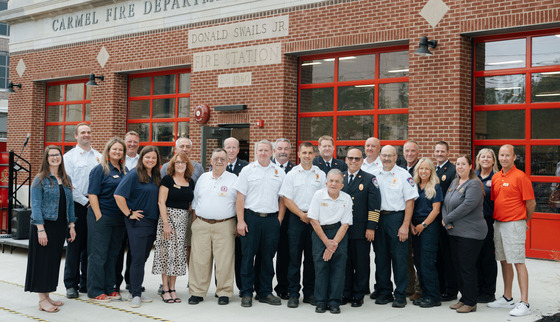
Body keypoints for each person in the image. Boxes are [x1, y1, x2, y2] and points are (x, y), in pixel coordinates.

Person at [234, 140, 286, 307]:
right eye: (260, 150)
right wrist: (240, 221)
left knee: (267, 257)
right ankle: (247, 292)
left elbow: (282, 199)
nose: (263, 153)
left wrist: (278, 220)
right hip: (251, 218)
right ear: (256, 152)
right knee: (248, 256)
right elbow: (240, 197)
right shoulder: (247, 171)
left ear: (272, 152)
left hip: (271, 219)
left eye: (266, 150)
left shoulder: (279, 172)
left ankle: (264, 292)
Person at [25, 146, 77, 313]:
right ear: (46, 158)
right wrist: (40, 229)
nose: (55, 157)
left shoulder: (66, 178)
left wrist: (72, 225)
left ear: (61, 157)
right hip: (44, 226)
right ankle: (42, 300)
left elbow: (70, 205)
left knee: (52, 262)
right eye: (51, 155)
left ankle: (47, 295)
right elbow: (36, 206)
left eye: (57, 155)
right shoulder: (40, 179)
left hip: (59, 226)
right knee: (42, 263)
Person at [488, 144, 536, 317]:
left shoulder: (521, 177)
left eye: (508, 155)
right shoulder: (496, 177)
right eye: (501, 155)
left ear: (514, 157)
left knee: (518, 261)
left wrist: (523, 220)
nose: (504, 158)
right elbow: (497, 200)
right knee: (504, 260)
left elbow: (531, 204)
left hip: (514, 224)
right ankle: (507, 297)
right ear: (498, 157)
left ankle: (525, 302)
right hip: (499, 224)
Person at [279, 141, 326, 308]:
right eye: (304, 152)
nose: (307, 156)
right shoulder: (292, 174)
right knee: (294, 258)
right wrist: (301, 214)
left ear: (314, 155)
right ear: (299, 154)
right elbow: (286, 198)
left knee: (311, 259)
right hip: (296, 220)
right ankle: (293, 294)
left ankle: (309, 293)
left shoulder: (320, 174)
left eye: (310, 153)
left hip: (314, 220)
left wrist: (311, 216)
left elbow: (323, 197)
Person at [371, 145, 418, 308]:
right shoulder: (374, 175)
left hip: (397, 218)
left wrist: (405, 225)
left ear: (396, 157)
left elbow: (410, 202)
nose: (386, 158)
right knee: (381, 258)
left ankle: (400, 294)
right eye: (383, 155)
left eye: (389, 156)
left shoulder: (403, 175)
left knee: (399, 258)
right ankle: (384, 292)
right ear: (380, 156)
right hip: (378, 219)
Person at [189, 149, 237, 305]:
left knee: (224, 261)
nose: (219, 161)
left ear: (227, 161)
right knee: (199, 260)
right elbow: (195, 203)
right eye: (216, 158)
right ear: (210, 160)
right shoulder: (203, 178)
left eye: (223, 159)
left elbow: (239, 203)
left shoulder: (234, 179)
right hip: (202, 224)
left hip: (225, 224)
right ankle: (197, 292)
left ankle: (224, 292)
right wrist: (194, 223)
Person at [114, 146, 161, 308]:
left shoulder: (155, 175)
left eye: (154, 158)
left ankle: (135, 289)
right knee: (138, 258)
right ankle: (135, 294)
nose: (151, 160)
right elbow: (118, 195)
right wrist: (129, 213)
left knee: (141, 258)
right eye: (148, 157)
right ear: (141, 158)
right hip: (138, 223)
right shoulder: (134, 175)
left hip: (152, 222)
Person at [442, 154, 487, 313]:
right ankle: (464, 298)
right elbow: (445, 202)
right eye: (458, 164)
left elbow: (467, 206)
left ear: (470, 167)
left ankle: (471, 301)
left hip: (471, 233)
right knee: (458, 266)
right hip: (455, 232)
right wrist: (447, 221)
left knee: (467, 267)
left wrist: (447, 218)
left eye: (463, 164)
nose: (460, 167)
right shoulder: (455, 181)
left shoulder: (474, 184)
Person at [86, 137, 127, 303]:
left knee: (112, 255)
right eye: (114, 149)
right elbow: (92, 194)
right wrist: (98, 216)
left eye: (120, 150)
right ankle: (95, 291)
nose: (117, 152)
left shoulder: (125, 171)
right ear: (108, 151)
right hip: (102, 217)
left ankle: (110, 288)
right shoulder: (100, 170)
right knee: (98, 255)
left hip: (118, 219)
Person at [63, 122, 102, 298]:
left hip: (96, 204)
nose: (86, 135)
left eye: (88, 132)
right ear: (76, 136)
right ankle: (71, 284)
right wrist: (86, 202)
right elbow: (68, 185)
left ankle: (86, 282)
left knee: (91, 245)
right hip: (77, 205)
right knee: (75, 245)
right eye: (82, 132)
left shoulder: (100, 157)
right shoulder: (69, 157)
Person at [308, 169, 353, 314]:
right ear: (326, 182)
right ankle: (321, 301)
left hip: (338, 233)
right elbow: (313, 220)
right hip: (320, 232)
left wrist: (333, 244)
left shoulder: (346, 198)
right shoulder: (318, 195)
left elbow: (345, 224)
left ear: (342, 184)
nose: (333, 184)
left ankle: (334, 301)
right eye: (331, 181)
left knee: (338, 268)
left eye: (337, 181)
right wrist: (327, 243)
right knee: (321, 267)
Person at [342, 148, 381, 307]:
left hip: (361, 229)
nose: (353, 161)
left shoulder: (369, 179)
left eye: (357, 159)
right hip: (343, 230)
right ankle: (346, 292)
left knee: (361, 263)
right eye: (350, 158)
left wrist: (371, 227)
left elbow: (374, 206)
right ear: (346, 160)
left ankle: (359, 294)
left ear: (362, 161)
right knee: (345, 263)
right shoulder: (340, 178)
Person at [153, 151, 194, 304]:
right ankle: (165, 289)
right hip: (167, 220)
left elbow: (190, 203)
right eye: (177, 162)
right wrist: (165, 223)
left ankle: (173, 288)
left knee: (177, 256)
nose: (180, 165)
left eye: (183, 162)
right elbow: (161, 202)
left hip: (183, 221)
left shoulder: (190, 181)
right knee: (166, 254)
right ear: (173, 164)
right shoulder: (167, 180)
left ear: (187, 165)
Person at [410, 157, 443, 308]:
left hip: (428, 227)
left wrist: (422, 225)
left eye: (426, 169)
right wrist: (411, 224)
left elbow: (436, 210)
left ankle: (433, 297)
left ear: (431, 171)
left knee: (427, 262)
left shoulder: (435, 187)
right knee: (418, 261)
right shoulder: (414, 186)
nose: (423, 171)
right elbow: (409, 206)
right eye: (421, 168)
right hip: (414, 226)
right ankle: (424, 294)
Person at [115, 131, 141, 293]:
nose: (132, 144)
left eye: (135, 142)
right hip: (119, 212)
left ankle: (132, 281)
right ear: (125, 142)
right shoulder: (117, 160)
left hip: (136, 212)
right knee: (117, 249)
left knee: (134, 249)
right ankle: (115, 283)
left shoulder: (143, 161)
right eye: (129, 141)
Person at [223, 137, 249, 293]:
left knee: (240, 254)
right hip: (223, 217)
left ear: (238, 150)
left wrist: (242, 220)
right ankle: (222, 288)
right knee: (223, 255)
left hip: (240, 217)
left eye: (234, 148)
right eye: (228, 147)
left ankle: (241, 286)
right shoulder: (218, 165)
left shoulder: (246, 168)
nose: (231, 151)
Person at [270, 138, 296, 300]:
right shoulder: (267, 167)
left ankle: (283, 287)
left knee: (285, 255)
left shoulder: (295, 170)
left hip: (289, 220)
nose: (283, 151)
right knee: (265, 254)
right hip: (269, 217)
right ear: (274, 151)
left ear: (290, 151)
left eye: (286, 148)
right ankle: (261, 287)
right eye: (280, 148)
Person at [433, 141, 458, 302]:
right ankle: (440, 287)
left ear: (448, 153)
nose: (440, 154)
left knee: (448, 257)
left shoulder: (452, 170)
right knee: (438, 256)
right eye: (437, 151)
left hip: (445, 220)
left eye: (442, 151)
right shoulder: (434, 169)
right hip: (434, 220)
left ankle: (451, 290)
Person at [475, 148, 499, 304]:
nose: (485, 159)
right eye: (482, 156)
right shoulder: (473, 176)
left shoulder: (497, 177)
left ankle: (489, 292)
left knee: (488, 257)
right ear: (478, 159)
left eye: (488, 157)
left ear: (493, 160)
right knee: (475, 257)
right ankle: (477, 289)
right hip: (473, 222)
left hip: (488, 220)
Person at [401, 140, 421, 300]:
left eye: (412, 151)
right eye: (407, 151)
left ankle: (420, 289)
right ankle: (409, 287)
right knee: (407, 255)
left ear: (417, 152)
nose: (409, 154)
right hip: (405, 220)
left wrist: (414, 223)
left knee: (419, 257)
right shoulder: (400, 170)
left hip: (419, 221)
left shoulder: (421, 169)